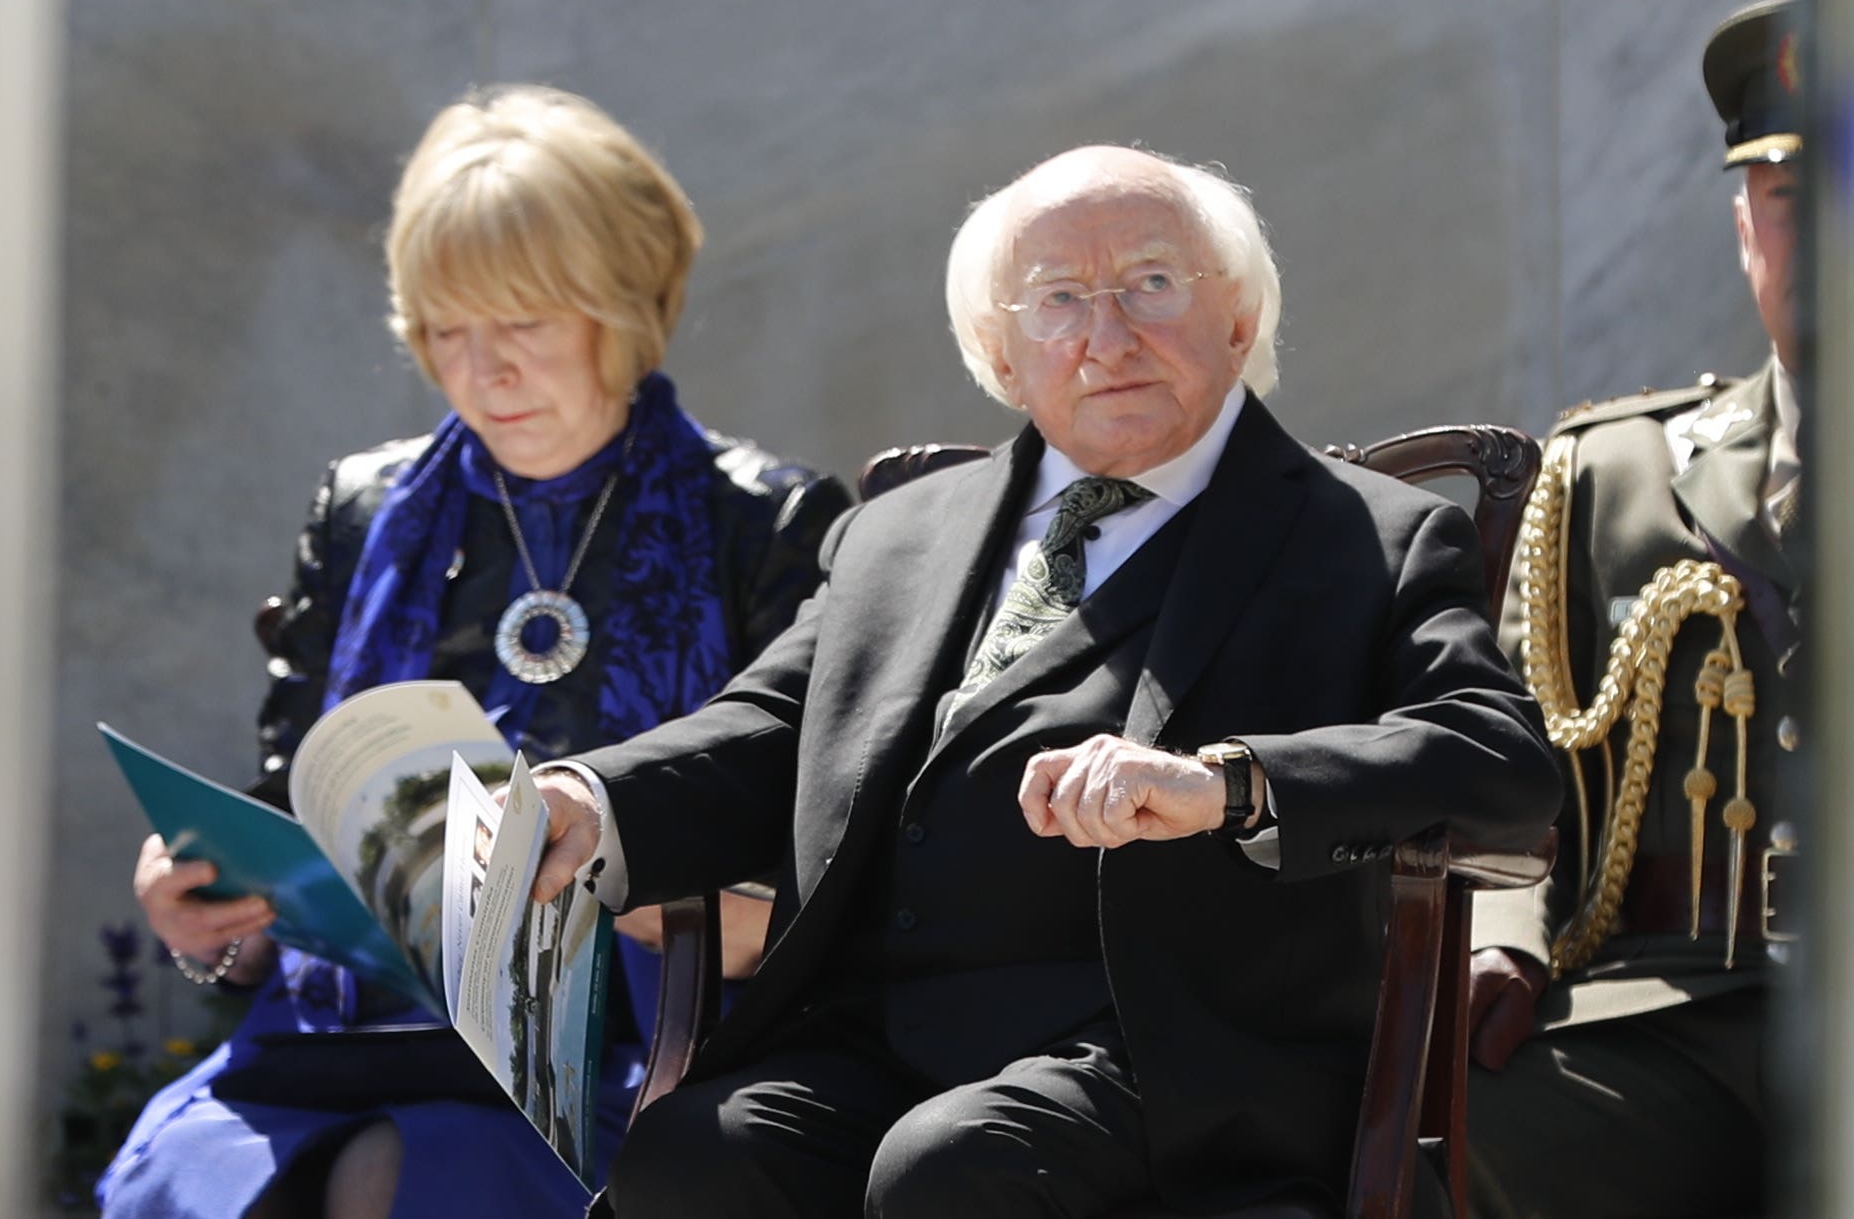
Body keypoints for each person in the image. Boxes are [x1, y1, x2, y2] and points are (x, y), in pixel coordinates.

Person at [525, 143, 1562, 1218]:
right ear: (1000, 352)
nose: (1109, 336)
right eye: (1059, 299)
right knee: (695, 1155)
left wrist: (1231, 784)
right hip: (873, 1038)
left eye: (1152, 283)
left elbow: (1500, 760)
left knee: (954, 1166)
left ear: (1241, 318)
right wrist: (587, 801)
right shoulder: (892, 535)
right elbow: (772, 729)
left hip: (1168, 1063)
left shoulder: (1370, 536)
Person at [99, 85, 851, 1219]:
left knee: (394, 1184)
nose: (483, 371)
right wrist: (209, 916)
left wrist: (647, 894)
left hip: (632, 1056)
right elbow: (287, 814)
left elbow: (828, 897)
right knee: (198, 1175)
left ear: (628, 304)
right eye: (447, 329)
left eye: (527, 323)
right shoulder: (361, 508)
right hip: (345, 1041)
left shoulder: (769, 525)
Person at [1464, 0, 1804, 1219]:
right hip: (1666, 1016)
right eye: (1787, 203)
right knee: (1443, 1132)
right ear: (1741, 227)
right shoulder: (1613, 472)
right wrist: (1493, 936)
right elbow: (1502, 757)